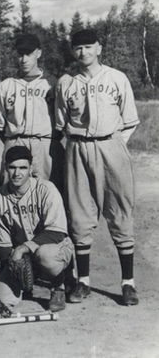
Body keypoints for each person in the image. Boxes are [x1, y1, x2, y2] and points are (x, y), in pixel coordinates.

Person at [56, 29, 140, 306]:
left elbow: (130, 120)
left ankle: (128, 284)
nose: (83, 52)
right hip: (78, 148)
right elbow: (60, 123)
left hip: (111, 147)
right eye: (78, 48)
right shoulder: (66, 82)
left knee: (120, 211)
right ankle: (83, 282)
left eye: (89, 47)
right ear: (73, 51)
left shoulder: (116, 78)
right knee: (79, 214)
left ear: (99, 48)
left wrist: (113, 143)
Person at [0, 146, 73, 312]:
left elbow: (56, 232)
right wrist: (13, 271)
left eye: (22, 168)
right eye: (12, 167)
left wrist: (22, 249)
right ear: (5, 168)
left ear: (31, 169)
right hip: (21, 257)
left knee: (46, 255)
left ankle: (59, 285)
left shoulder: (46, 189)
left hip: (55, 247)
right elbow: (3, 245)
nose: (17, 173)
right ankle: (29, 282)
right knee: (0, 299)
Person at [0, 34, 64, 189]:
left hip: (45, 144)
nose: (24, 59)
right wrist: (16, 140)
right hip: (15, 141)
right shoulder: (5, 86)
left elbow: (63, 120)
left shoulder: (53, 84)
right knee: (11, 194)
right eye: (20, 54)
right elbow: (0, 125)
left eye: (29, 54)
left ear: (38, 53)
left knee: (50, 193)